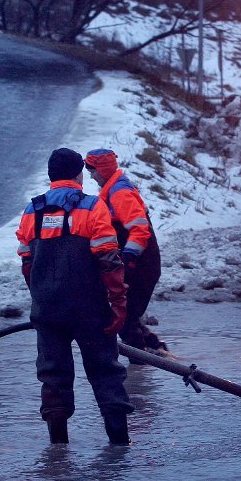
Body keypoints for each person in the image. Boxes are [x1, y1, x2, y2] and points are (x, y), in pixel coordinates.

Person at [16, 148, 133, 445]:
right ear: (79, 174)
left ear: (50, 176)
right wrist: (118, 302)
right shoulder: (93, 207)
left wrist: (42, 301)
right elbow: (109, 259)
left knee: (53, 377)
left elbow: (27, 263)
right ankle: (119, 445)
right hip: (90, 310)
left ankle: (58, 453)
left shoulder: (32, 211)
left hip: (48, 311)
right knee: (106, 372)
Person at [84, 148, 167, 353]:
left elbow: (139, 229)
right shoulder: (114, 190)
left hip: (141, 266)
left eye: (92, 170)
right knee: (127, 316)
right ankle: (157, 352)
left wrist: (128, 260)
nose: (90, 176)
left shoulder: (119, 193)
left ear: (102, 170)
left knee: (124, 318)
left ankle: (139, 370)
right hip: (139, 265)